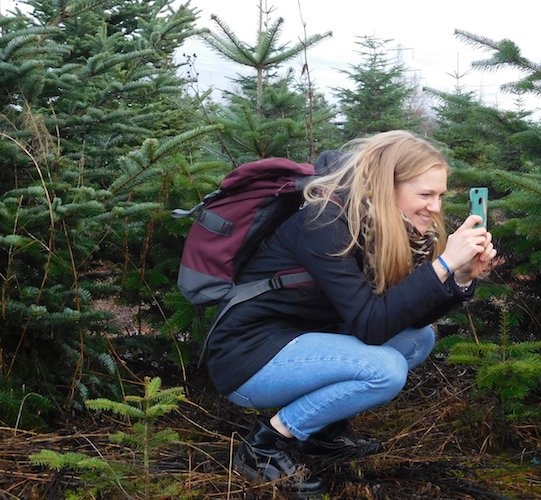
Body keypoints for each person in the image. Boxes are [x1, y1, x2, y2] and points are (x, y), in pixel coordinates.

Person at [204, 130, 496, 496]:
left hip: (303, 341)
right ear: (385, 185)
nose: (435, 207)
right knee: (384, 370)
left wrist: (461, 277)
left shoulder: (377, 223)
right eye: (425, 195)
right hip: (249, 356)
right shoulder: (324, 221)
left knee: (416, 340)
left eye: (440, 195)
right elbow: (372, 327)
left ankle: (323, 434)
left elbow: (398, 316)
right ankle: (264, 446)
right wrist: (443, 264)